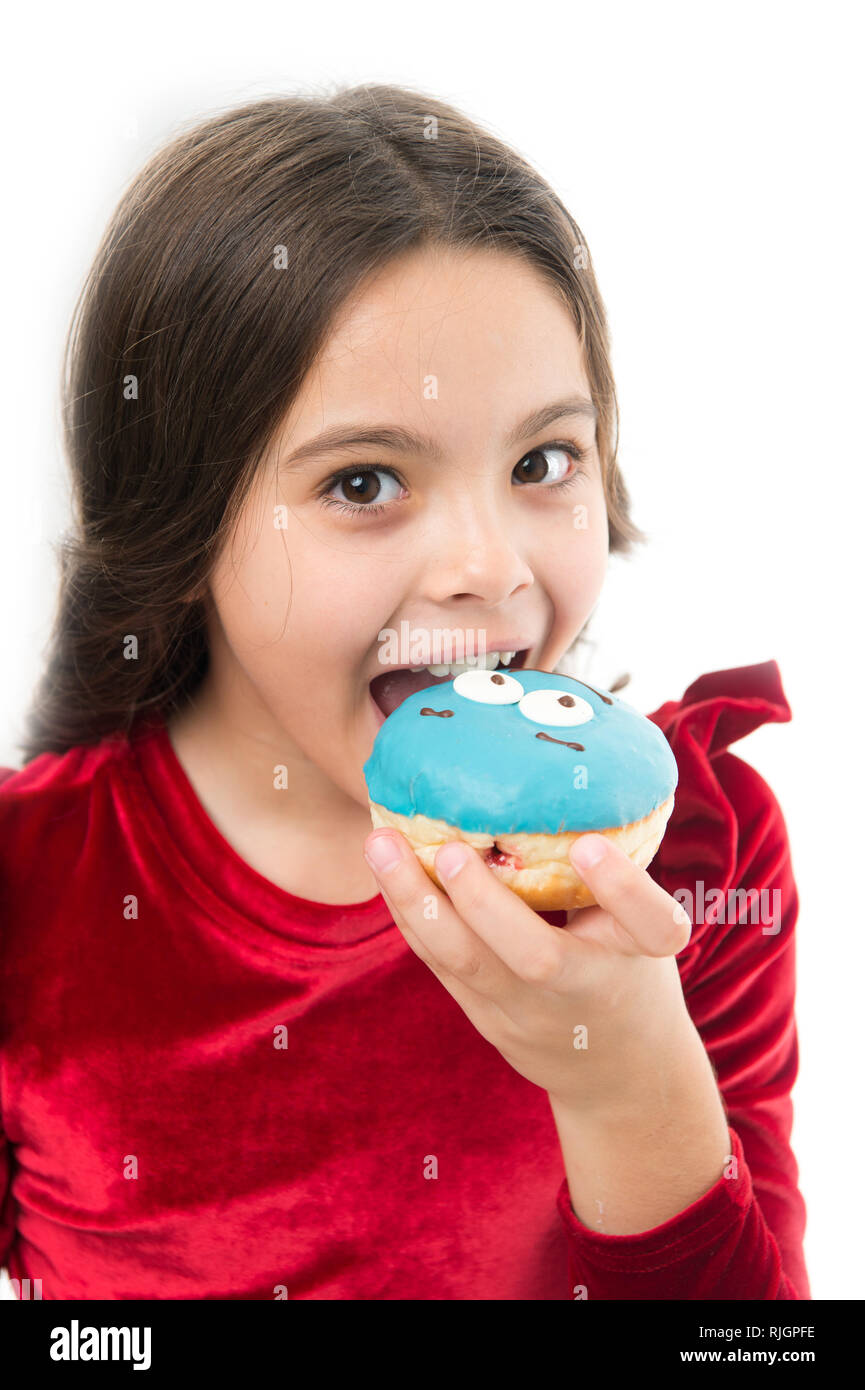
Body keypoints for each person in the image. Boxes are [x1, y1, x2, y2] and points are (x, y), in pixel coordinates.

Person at [0, 83, 808, 1300]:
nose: (489, 565)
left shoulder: (694, 849)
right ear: (183, 529)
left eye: (542, 461)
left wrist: (629, 1083)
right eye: (366, 482)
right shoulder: (30, 895)